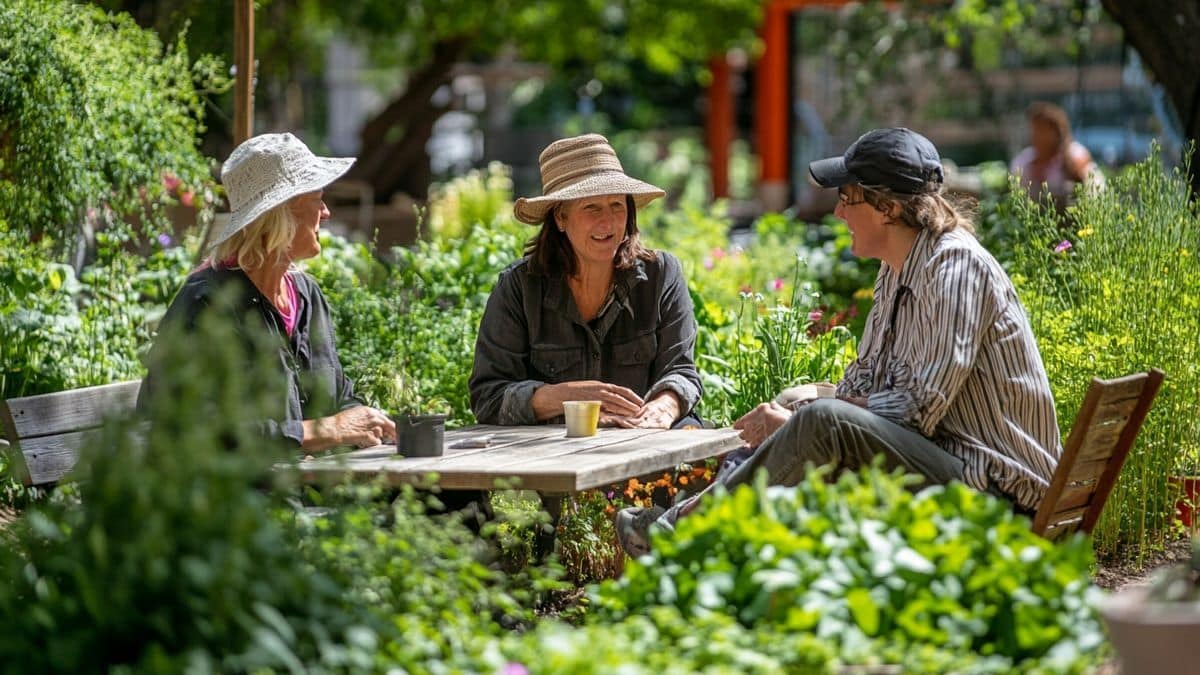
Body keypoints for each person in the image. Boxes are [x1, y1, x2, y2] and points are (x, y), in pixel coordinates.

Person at [617, 128, 1062, 557]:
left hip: (1000, 495)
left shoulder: (954, 269)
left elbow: (916, 410)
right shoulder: (899, 267)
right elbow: (865, 383)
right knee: (801, 402)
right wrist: (795, 410)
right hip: (952, 465)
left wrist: (803, 420)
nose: (838, 214)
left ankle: (682, 531)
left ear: (887, 207)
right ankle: (700, 532)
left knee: (822, 419)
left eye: (847, 198)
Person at [138, 132, 396, 451]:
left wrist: (358, 417)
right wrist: (320, 432)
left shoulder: (307, 296)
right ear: (283, 213)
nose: (326, 213)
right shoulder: (207, 304)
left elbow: (339, 396)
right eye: (318, 199)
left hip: (310, 491)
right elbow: (205, 434)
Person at [469, 133, 702, 429]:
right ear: (560, 219)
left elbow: (682, 372)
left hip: (644, 440)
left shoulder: (661, 275)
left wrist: (663, 408)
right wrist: (566, 398)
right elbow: (488, 397)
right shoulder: (519, 288)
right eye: (591, 207)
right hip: (552, 452)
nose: (607, 223)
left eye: (617, 205)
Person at [1010, 101, 1103, 208]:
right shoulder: (1024, 161)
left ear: (1055, 132)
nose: (1035, 134)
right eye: (1033, 129)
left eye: (1041, 130)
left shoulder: (1075, 153)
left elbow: (1089, 188)